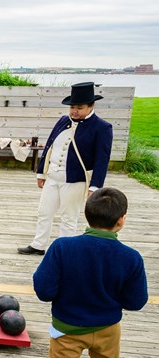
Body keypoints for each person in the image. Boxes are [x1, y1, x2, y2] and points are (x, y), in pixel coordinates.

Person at [21, 187, 148, 358]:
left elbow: (44, 289)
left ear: (86, 214)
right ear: (121, 220)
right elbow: (136, 301)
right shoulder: (131, 258)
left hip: (67, 327)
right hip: (108, 328)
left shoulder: (62, 248)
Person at [18, 82, 113, 256]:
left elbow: (102, 159)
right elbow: (49, 146)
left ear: (91, 106)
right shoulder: (63, 121)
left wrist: (95, 186)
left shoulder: (102, 127)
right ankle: (39, 244)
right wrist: (42, 172)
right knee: (44, 212)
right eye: (72, 107)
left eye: (79, 107)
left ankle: (65, 251)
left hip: (75, 179)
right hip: (53, 176)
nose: (74, 111)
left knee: (69, 217)